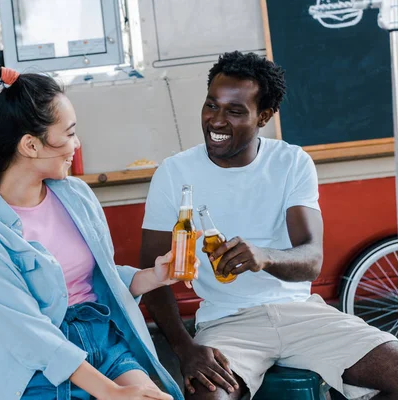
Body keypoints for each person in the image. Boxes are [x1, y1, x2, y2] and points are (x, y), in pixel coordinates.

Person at [140, 51, 398, 400]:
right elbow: (151, 276)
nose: (216, 121)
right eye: (211, 105)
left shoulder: (291, 162)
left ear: (264, 116)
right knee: (207, 396)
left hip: (303, 316)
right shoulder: (174, 173)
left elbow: (311, 259)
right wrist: (185, 349)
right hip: (226, 323)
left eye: (234, 111)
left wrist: (264, 256)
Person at [0, 67, 193, 400]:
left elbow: (98, 279)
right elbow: (29, 334)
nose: (77, 145)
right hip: (34, 367)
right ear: (31, 145)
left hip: (103, 344)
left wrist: (154, 276)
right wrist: (111, 393)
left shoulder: (76, 195)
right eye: (69, 133)